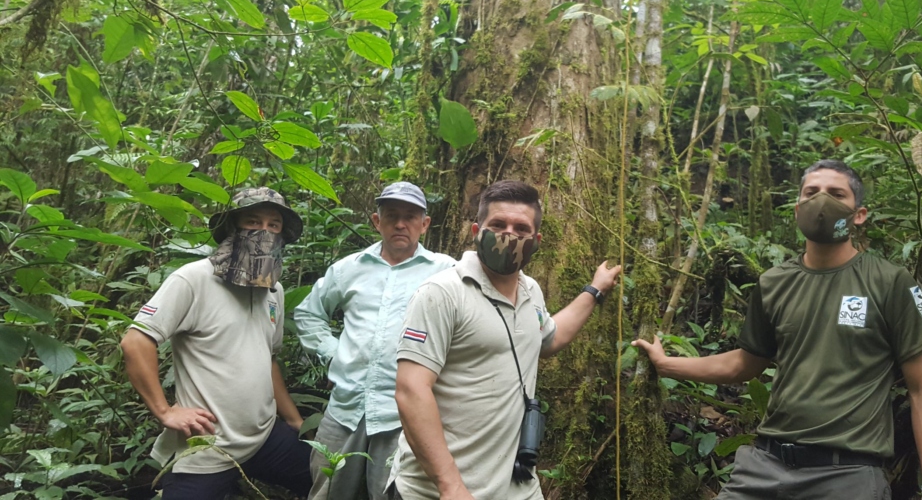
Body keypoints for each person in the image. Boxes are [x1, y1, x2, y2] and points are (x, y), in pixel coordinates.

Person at [633, 159, 922, 500]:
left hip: (847, 474)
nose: (822, 201)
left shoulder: (889, 282)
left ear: (859, 215)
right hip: (764, 467)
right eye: (811, 192)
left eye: (836, 194)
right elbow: (745, 363)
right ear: (797, 209)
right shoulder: (774, 283)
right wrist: (668, 365)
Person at [390, 180, 621, 500]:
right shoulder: (442, 293)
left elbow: (549, 338)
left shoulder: (531, 291)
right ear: (477, 231)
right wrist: (449, 484)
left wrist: (594, 290)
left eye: (521, 228)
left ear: (536, 241)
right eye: (498, 224)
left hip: (517, 486)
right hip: (438, 490)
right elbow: (411, 390)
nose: (509, 234)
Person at [120, 187, 312, 499]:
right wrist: (165, 411)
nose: (264, 232)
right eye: (253, 222)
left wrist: (294, 420)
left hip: (264, 436)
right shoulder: (194, 279)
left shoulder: (273, 290)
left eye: (273, 225)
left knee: (324, 477)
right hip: (205, 448)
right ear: (233, 227)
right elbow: (135, 342)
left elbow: (268, 359)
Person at [294, 182, 456, 500]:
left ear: (424, 224)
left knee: (396, 494)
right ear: (376, 221)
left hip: (405, 415)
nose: (400, 224)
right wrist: (333, 353)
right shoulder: (348, 269)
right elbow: (308, 314)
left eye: (410, 217)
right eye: (391, 215)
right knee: (327, 491)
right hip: (345, 407)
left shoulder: (445, 271)